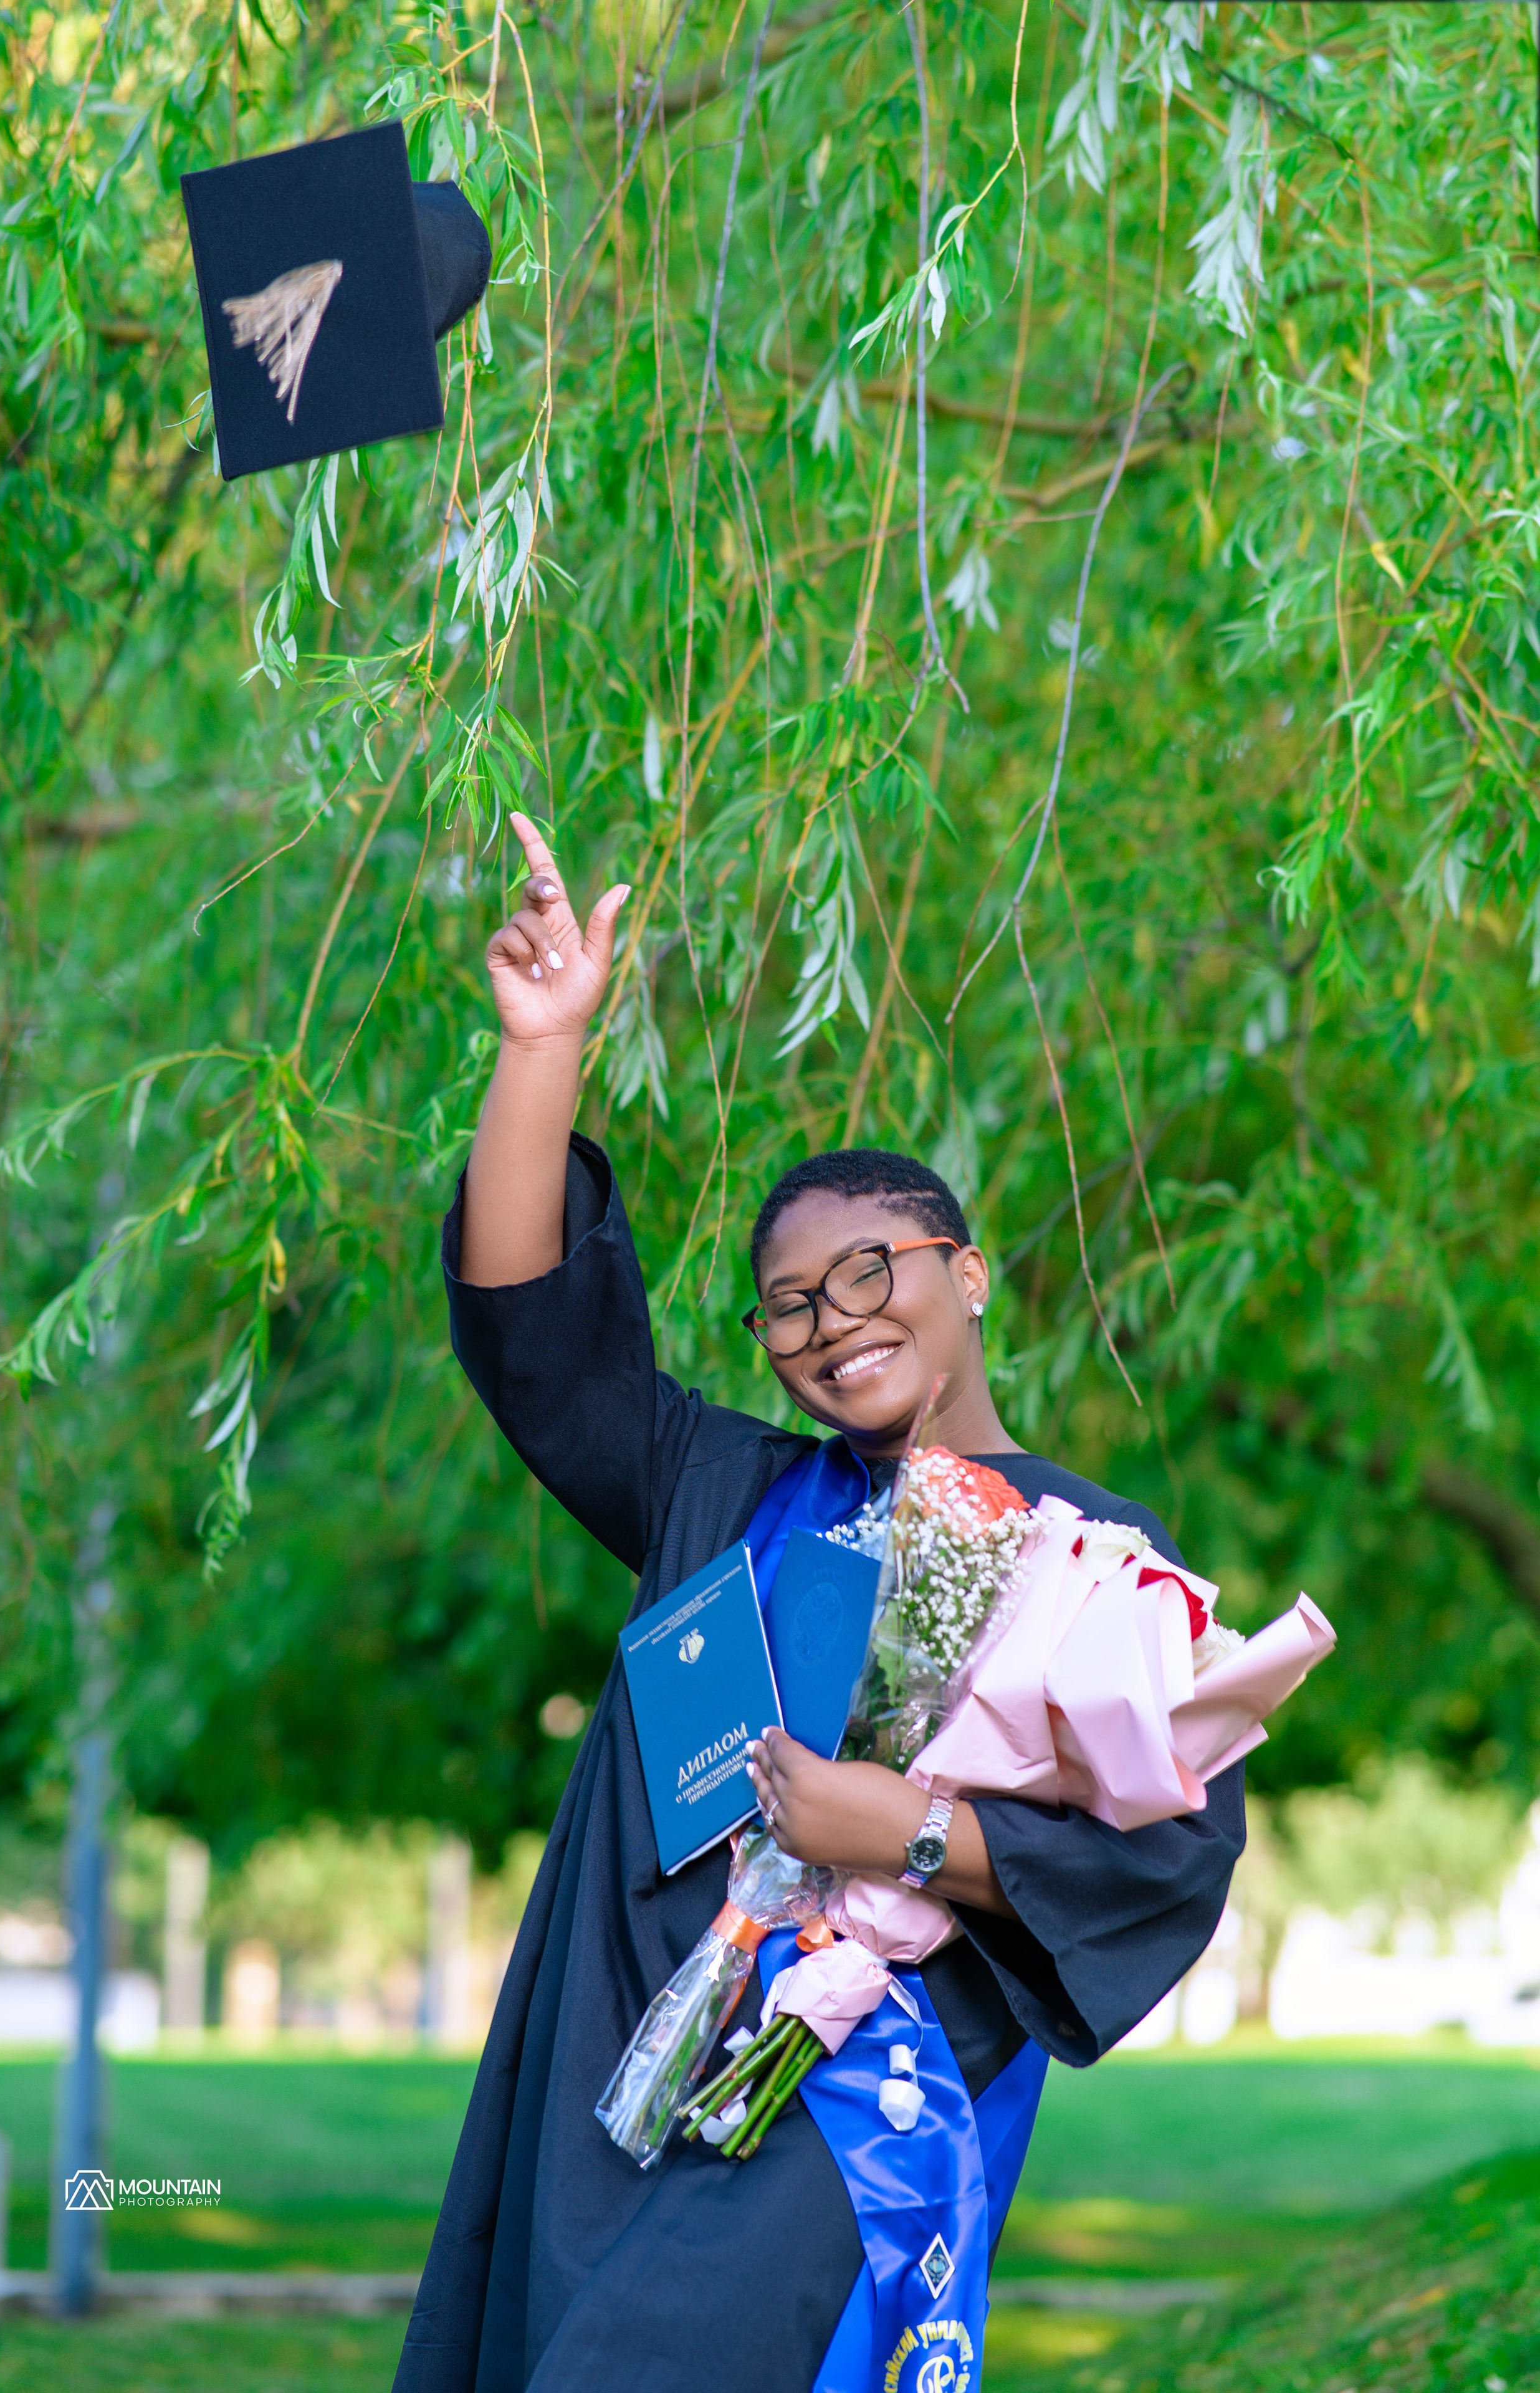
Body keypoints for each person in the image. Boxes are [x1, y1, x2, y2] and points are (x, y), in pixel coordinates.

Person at [393, 815, 1246, 2393]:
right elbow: (533, 1336)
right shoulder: (718, 1490)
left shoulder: (1095, 1548)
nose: (826, 1324)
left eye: (869, 1272)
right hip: (627, 2054)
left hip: (855, 2096)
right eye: (787, 1304)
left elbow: (1167, 1853)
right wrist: (546, 1045)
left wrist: (900, 1833)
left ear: (965, 1273)